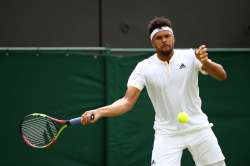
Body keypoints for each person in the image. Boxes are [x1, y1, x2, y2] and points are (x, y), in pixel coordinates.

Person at [81, 17, 227, 166]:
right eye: (159, 37)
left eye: (167, 36)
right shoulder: (143, 67)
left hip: (198, 128)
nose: (164, 40)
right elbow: (126, 102)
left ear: (173, 38)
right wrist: (99, 112)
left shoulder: (190, 56)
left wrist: (206, 62)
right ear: (152, 42)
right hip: (167, 134)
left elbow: (222, 75)